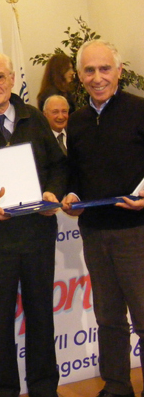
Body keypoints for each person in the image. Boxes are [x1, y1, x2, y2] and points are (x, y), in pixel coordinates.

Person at [0, 52, 67, 397]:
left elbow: (59, 167)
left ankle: (44, 389)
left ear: (11, 79)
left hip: (36, 237)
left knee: (41, 318)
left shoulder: (35, 119)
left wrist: (52, 191)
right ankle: (1, 391)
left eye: (0, 77)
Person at [62, 40, 144, 398]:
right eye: (90, 71)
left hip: (135, 232)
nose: (98, 78)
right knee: (108, 317)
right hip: (94, 232)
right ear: (80, 76)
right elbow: (75, 175)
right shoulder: (76, 121)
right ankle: (116, 385)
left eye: (104, 69)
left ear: (119, 71)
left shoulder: (139, 110)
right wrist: (72, 198)